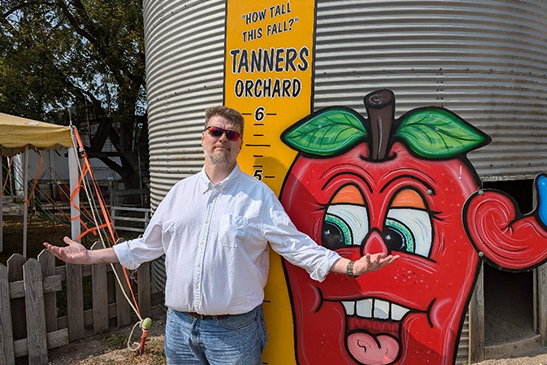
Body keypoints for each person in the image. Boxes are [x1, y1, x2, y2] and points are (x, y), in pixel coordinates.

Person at [44, 105, 398, 365]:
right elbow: (146, 246)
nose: (223, 139)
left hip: (235, 335)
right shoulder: (179, 193)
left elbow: (297, 247)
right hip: (179, 330)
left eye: (231, 134)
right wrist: (90, 256)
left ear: (240, 144)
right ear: (203, 137)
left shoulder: (258, 198)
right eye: (216, 131)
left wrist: (350, 267)